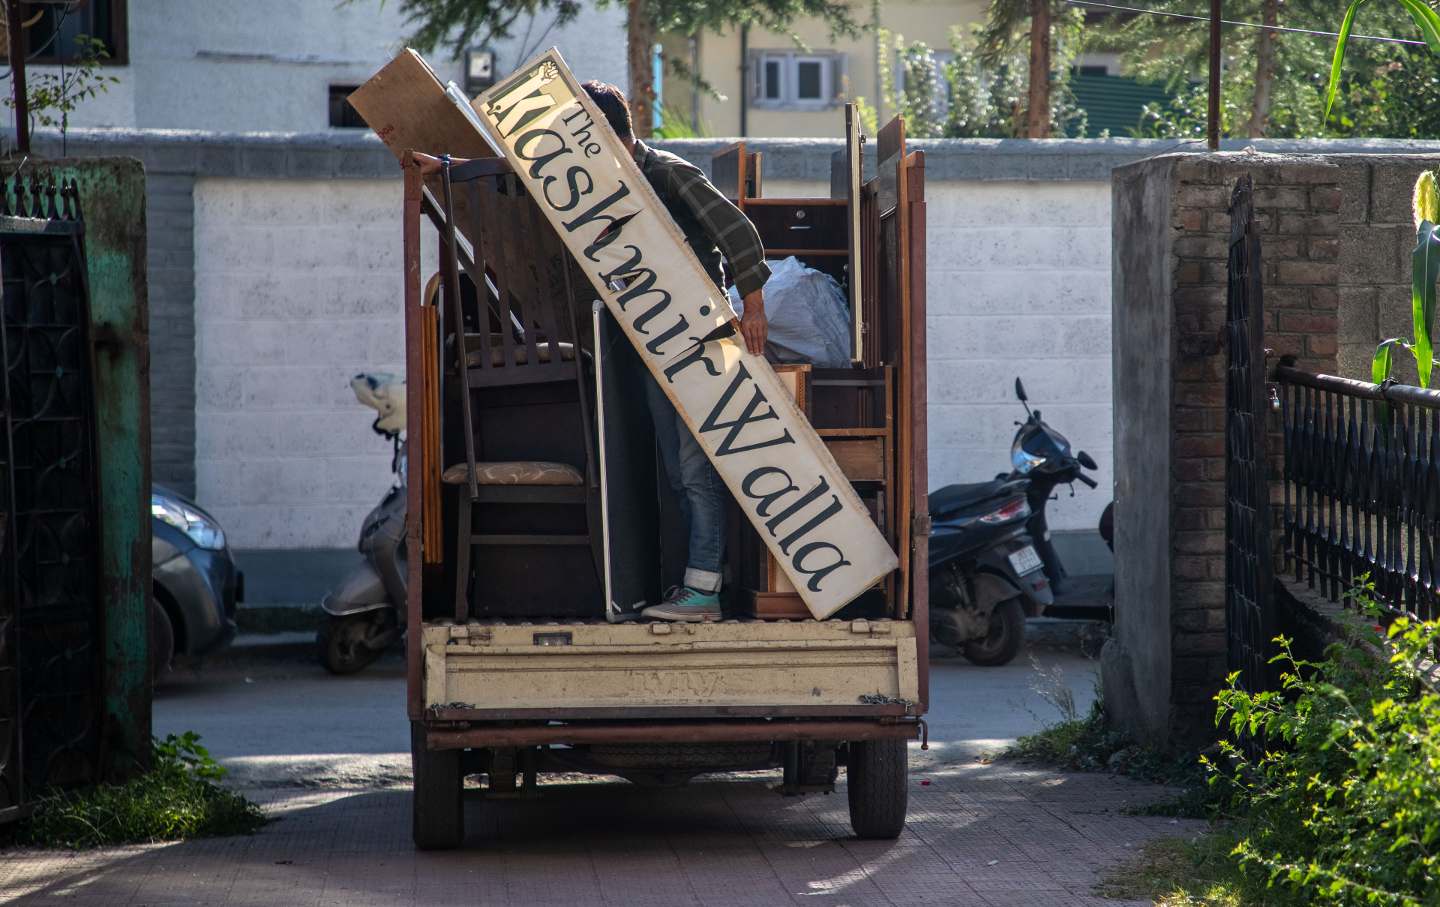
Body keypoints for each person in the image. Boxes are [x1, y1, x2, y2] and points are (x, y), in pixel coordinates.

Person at [581, 80, 769, 622]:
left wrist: (753, 310)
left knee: (693, 467)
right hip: (655, 344)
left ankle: (704, 592)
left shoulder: (666, 172)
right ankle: (704, 580)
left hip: (698, 341)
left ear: (613, 133)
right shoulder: (612, 184)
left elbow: (739, 232)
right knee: (676, 467)